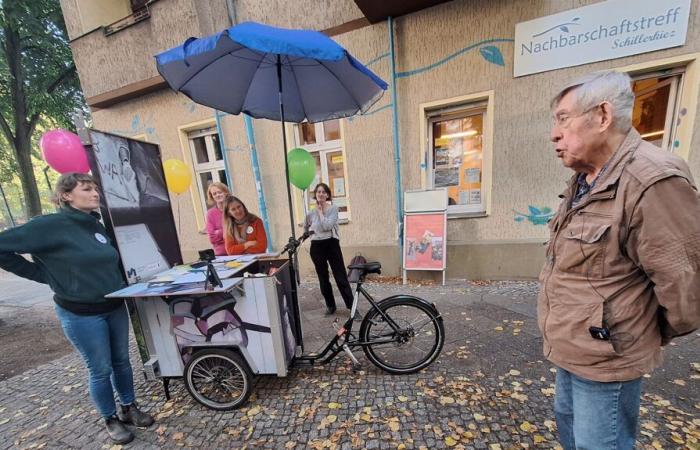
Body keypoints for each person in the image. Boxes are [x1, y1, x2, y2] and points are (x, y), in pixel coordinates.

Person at [539, 70, 700, 450]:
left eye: (563, 119)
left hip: (609, 356)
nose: (554, 134)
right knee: (572, 434)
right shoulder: (585, 179)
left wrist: (636, 331)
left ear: (603, 116)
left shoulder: (652, 179)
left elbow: (685, 284)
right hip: (571, 347)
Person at [0, 173, 154, 445]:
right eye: (87, 189)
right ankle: (110, 418)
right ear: (66, 195)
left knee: (122, 361)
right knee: (100, 368)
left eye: (95, 188)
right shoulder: (49, 225)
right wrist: (45, 275)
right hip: (81, 314)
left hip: (114, 305)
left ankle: (129, 408)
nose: (95, 193)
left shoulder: (94, 224)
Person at [304, 183, 354, 315]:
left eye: (323, 192)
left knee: (340, 276)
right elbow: (306, 228)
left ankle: (351, 307)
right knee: (323, 278)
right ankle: (330, 306)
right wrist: (310, 234)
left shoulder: (333, 209)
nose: (320, 194)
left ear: (327, 195)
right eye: (318, 192)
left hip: (331, 244)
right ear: (315, 195)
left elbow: (327, 226)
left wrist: (320, 212)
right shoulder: (310, 213)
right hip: (317, 247)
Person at [205, 182, 231, 256]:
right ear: (212, 197)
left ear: (225, 192)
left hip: (237, 251)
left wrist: (218, 232)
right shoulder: (210, 213)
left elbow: (239, 231)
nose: (217, 195)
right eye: (214, 194)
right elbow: (212, 238)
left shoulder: (234, 209)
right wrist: (228, 231)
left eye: (220, 192)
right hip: (221, 254)